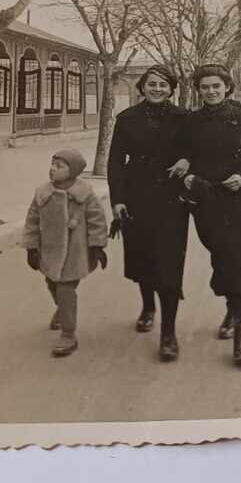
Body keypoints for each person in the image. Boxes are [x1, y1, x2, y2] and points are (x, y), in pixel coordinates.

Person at [182, 64, 241, 367]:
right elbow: (182, 154)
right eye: (205, 87)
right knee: (220, 253)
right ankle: (232, 307)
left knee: (240, 257)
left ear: (226, 87)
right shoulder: (191, 120)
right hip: (204, 196)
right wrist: (187, 176)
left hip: (235, 197)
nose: (211, 91)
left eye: (216, 86)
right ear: (198, 90)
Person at [107, 65, 190, 361]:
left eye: (163, 85)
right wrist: (117, 200)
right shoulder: (127, 119)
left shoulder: (184, 118)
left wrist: (186, 159)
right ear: (142, 87)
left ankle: (168, 333)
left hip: (171, 198)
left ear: (171, 88)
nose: (157, 88)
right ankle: (148, 307)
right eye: (152, 84)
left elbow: (198, 149)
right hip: (136, 195)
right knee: (142, 257)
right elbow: (116, 161)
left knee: (169, 263)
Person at [22, 148, 108, 356]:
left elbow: (97, 220)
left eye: (59, 166)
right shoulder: (43, 193)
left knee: (65, 290)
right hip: (50, 251)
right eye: (52, 164)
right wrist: (32, 248)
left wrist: (97, 247)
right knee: (52, 283)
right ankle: (62, 310)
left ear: (74, 171)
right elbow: (32, 221)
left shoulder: (84, 194)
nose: (52, 169)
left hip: (75, 252)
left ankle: (68, 334)